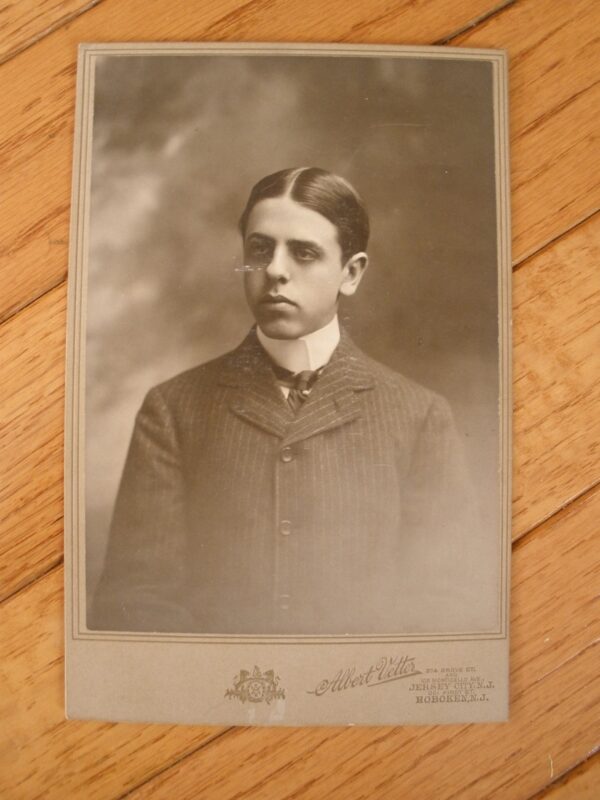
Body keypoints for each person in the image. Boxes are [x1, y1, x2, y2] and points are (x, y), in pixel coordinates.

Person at [90, 166, 486, 635]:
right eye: (260, 249)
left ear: (351, 273)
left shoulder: (419, 416)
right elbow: (136, 600)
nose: (275, 269)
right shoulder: (174, 410)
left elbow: (447, 601)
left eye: (303, 252)